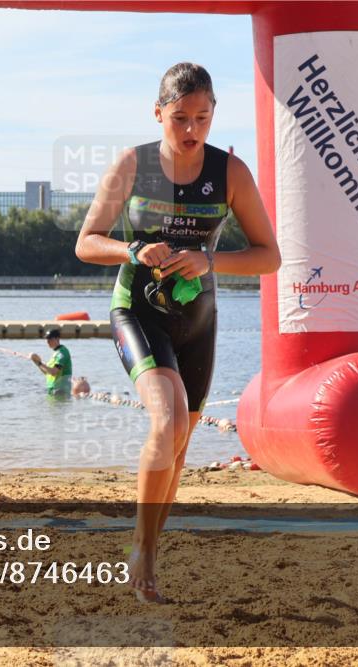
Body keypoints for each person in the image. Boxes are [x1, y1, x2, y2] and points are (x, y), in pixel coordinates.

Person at [75, 62, 280, 602]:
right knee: (165, 419)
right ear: (158, 113)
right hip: (137, 310)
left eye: (203, 118)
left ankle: (148, 547)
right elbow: (87, 242)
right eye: (180, 118)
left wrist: (210, 259)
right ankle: (141, 551)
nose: (191, 130)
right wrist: (133, 249)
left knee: (180, 443)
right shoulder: (132, 164)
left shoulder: (230, 172)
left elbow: (269, 257)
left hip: (198, 320)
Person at [30, 329, 73, 397]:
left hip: (61, 390)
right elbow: (47, 372)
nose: (48, 341)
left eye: (50, 339)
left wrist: (40, 363)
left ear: (57, 339)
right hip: (52, 389)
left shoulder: (62, 353)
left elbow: (53, 372)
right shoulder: (56, 353)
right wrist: (36, 361)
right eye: (47, 339)